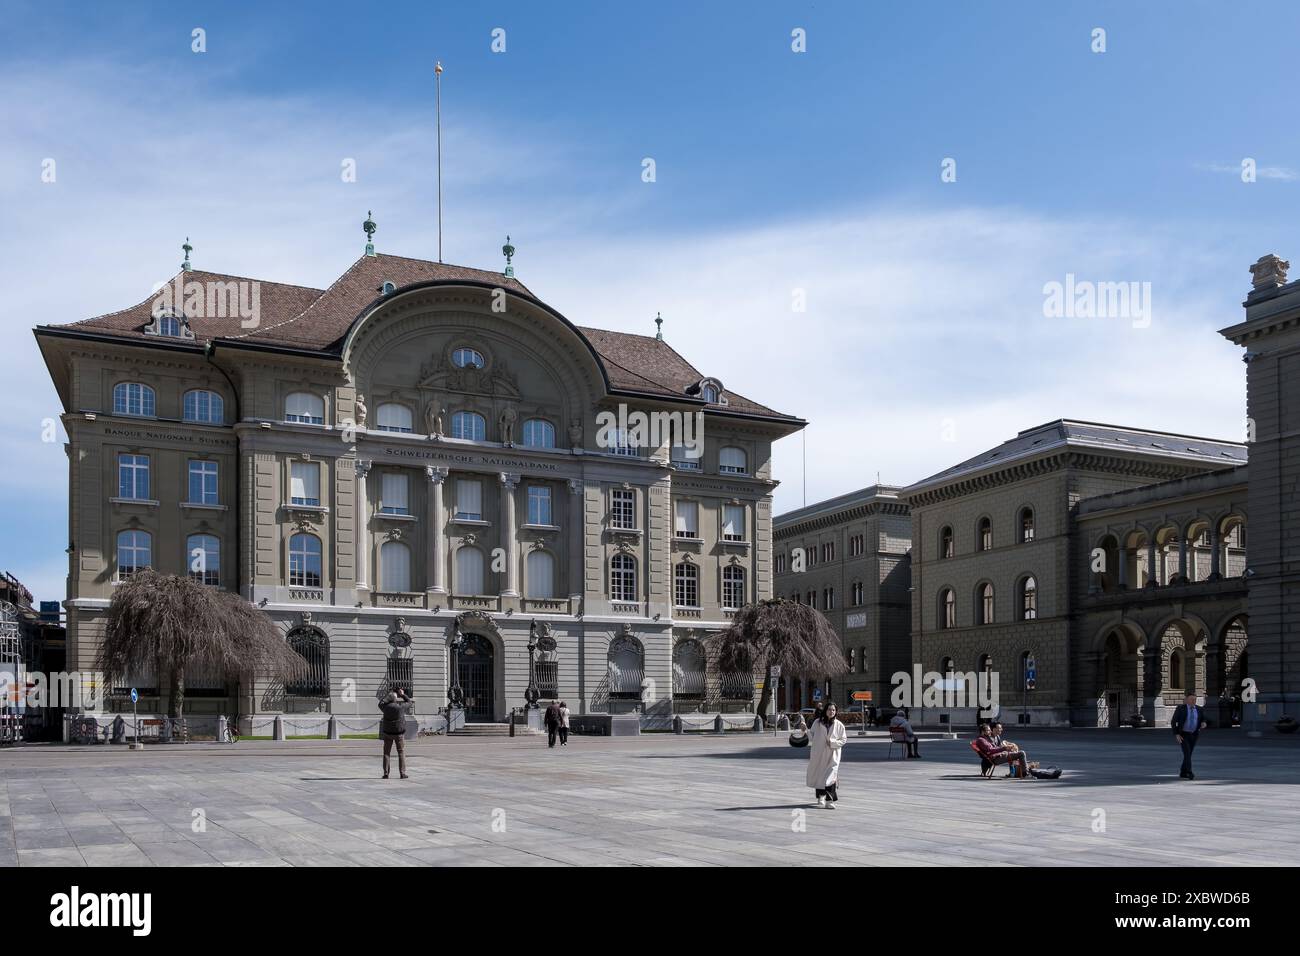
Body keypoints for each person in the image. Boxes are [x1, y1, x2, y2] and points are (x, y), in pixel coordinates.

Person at [805, 701, 848, 809]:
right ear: (825, 711)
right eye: (829, 709)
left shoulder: (839, 725)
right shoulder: (817, 723)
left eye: (833, 710)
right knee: (820, 775)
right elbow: (811, 737)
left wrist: (833, 743)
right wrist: (805, 730)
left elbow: (843, 740)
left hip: (833, 754)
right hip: (819, 753)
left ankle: (830, 800)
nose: (831, 712)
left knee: (831, 776)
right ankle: (821, 798)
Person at [1171, 692, 1207, 780]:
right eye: (1191, 699)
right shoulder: (1181, 709)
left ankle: (1183, 772)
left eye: (1195, 699)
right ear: (1187, 700)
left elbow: (1203, 718)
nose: (1193, 701)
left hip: (1194, 734)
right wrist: (1176, 734)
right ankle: (1189, 772)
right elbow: (1173, 721)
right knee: (1187, 753)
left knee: (1189, 754)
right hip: (1183, 734)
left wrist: (1204, 723)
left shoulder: (1199, 709)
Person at [378, 688, 412, 780]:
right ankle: (402, 773)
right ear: (395, 699)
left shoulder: (385, 708)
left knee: (386, 753)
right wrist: (402, 694)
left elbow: (380, 703)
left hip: (388, 733)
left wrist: (388, 697)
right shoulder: (400, 707)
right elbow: (409, 702)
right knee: (401, 752)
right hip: (399, 733)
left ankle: (386, 774)